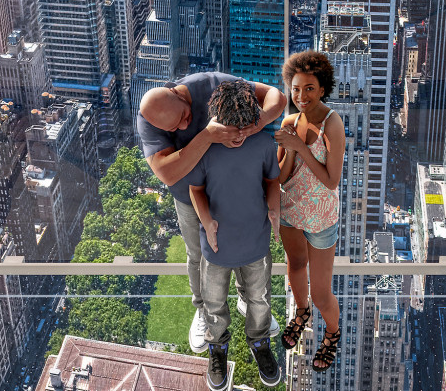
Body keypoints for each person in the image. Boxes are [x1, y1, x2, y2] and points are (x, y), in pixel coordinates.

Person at [137, 72, 285, 352]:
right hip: (189, 194)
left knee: (248, 246)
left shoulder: (211, 84)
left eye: (184, 115)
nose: (185, 124)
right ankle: (204, 310)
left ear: (179, 94)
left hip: (237, 187)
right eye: (175, 127)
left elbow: (277, 97)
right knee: (198, 256)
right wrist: (207, 136)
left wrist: (255, 125)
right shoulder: (149, 118)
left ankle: (248, 299)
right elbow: (166, 173)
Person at [187, 80, 282, 390]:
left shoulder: (264, 144)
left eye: (246, 125)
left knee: (260, 300)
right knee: (213, 305)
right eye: (232, 127)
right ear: (217, 119)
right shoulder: (205, 149)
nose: (240, 134)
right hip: (215, 246)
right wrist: (207, 221)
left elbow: (271, 181)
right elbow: (195, 189)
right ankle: (217, 350)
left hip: (255, 241)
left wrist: (275, 209)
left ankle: (260, 344)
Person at [273, 51, 344, 371]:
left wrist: (301, 147)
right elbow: (282, 175)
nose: (301, 96)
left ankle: (332, 333)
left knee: (322, 293)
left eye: (309, 88)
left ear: (323, 88)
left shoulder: (333, 123)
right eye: (296, 89)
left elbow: (331, 180)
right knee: (295, 267)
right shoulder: (289, 122)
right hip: (290, 210)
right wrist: (289, 149)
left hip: (321, 217)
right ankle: (300, 314)